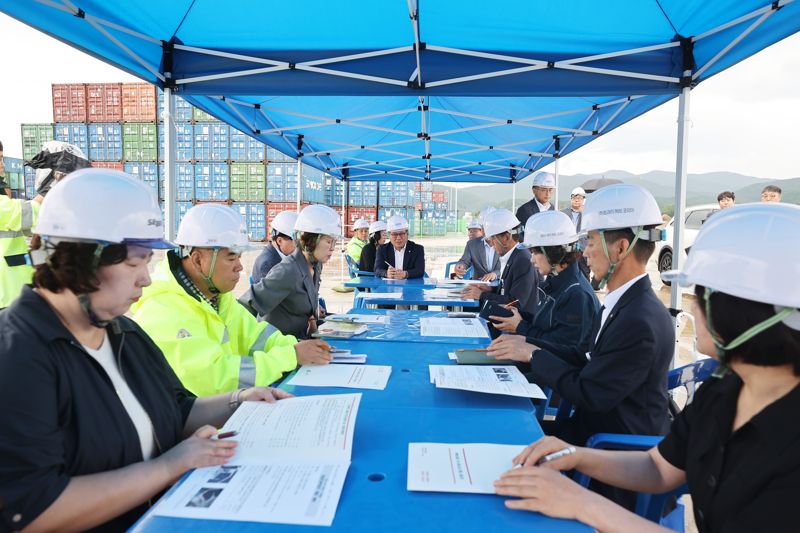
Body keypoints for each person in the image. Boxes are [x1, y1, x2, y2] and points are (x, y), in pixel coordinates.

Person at [0, 169, 293, 532]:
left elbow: (177, 410)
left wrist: (238, 400)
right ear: (81, 259)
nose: (146, 278)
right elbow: (30, 510)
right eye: (134, 262)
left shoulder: (124, 332)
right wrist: (169, 466)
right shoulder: (17, 356)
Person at [494, 203, 800, 533]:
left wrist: (582, 503)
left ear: (751, 311)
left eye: (702, 293)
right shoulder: (725, 389)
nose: (692, 305)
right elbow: (658, 467)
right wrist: (576, 456)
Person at [488, 184, 674, 447]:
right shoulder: (623, 303)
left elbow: (589, 392)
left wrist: (533, 353)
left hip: (609, 450)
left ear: (621, 249)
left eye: (592, 242)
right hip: (591, 431)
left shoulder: (639, 319)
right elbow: (583, 355)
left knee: (497, 432)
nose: (584, 252)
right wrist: (529, 343)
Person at [131, 203, 331, 396]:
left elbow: (257, 336)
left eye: (239, 257)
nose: (240, 267)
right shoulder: (163, 311)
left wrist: (297, 347)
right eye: (231, 258)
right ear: (198, 259)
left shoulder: (218, 298)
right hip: (204, 427)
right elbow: (216, 380)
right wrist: (291, 356)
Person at [490, 210, 599, 359]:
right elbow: (547, 324)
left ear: (553, 252)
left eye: (535, 252)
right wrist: (519, 316)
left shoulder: (576, 294)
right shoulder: (558, 283)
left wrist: (520, 327)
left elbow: (563, 348)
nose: (532, 260)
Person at [0, 140, 89, 309]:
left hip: (19, 294)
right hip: (5, 298)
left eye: (3, 159)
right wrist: (52, 186)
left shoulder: (4, 195)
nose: (2, 165)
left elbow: (25, 248)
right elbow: (22, 214)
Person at [249, 204, 341, 340]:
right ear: (310, 241)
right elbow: (248, 305)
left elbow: (310, 302)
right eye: (329, 241)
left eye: (335, 242)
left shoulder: (316, 265)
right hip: (279, 346)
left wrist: (313, 326)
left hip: (301, 339)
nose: (333, 248)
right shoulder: (287, 271)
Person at [462, 208, 538, 316]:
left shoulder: (522, 261)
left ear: (506, 237)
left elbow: (515, 302)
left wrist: (482, 295)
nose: (491, 245)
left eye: (493, 239)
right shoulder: (514, 256)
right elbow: (508, 292)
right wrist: (491, 289)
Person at [253, 210, 298, 282]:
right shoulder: (268, 264)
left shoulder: (280, 256)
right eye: (296, 242)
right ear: (280, 241)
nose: (297, 247)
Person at [454, 215, 500, 281]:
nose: (471, 234)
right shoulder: (471, 244)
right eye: (485, 228)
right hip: (478, 285)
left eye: (475, 231)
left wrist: (495, 274)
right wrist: (460, 265)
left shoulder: (503, 243)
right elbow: (465, 261)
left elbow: (508, 266)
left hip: (500, 285)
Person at [562, 186, 590, 280]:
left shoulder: (588, 214)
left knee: (584, 273)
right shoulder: (563, 213)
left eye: (579, 198)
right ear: (571, 199)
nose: (576, 200)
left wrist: (584, 212)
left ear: (584, 200)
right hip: (567, 248)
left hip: (582, 248)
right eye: (574, 197)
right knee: (567, 272)